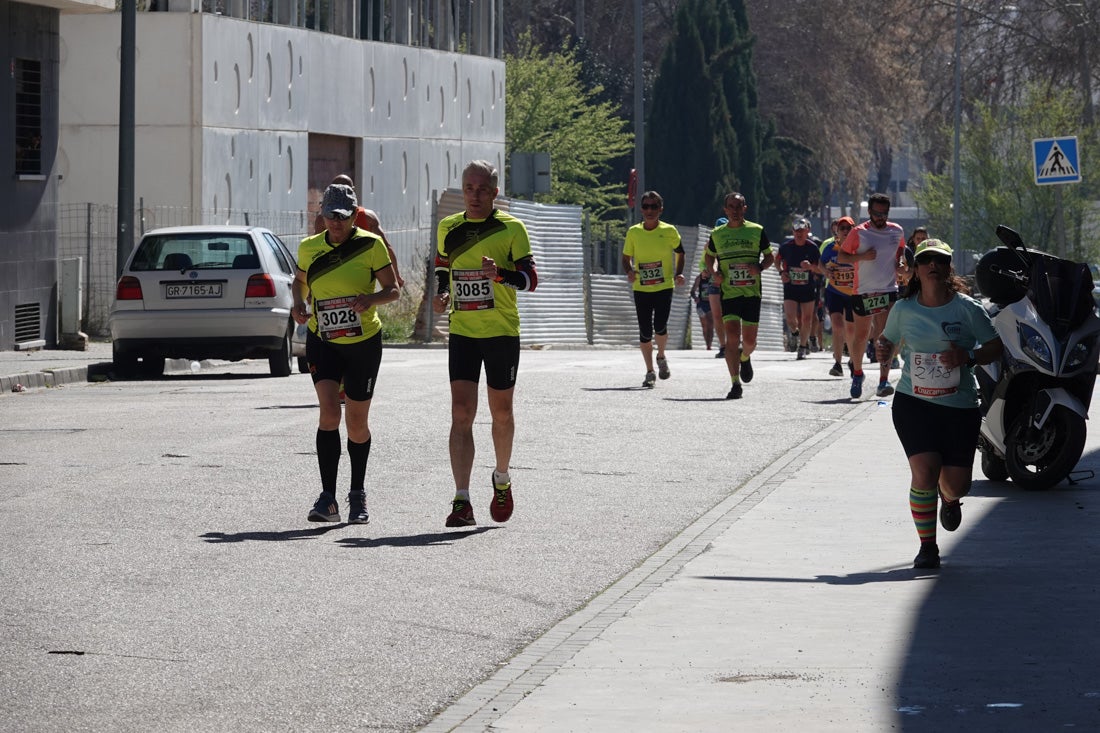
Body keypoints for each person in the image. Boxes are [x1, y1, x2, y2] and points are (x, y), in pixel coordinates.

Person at [879, 239, 1003, 569]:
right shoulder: (903, 309)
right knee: (925, 471)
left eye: (940, 260)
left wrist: (969, 356)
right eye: (926, 260)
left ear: (948, 268)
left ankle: (949, 499)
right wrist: (882, 350)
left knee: (957, 483)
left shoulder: (966, 308)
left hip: (959, 406)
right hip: (913, 403)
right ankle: (927, 547)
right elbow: (887, 340)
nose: (933, 264)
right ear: (916, 270)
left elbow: (995, 346)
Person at [433, 160, 538, 527]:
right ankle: (462, 500)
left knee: (502, 413)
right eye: (468, 189)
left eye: (482, 189)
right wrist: (443, 294)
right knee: (461, 413)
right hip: (462, 332)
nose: (474, 195)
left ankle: (502, 478)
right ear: (462, 190)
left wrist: (502, 274)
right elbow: (443, 270)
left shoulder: (512, 228)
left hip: (501, 332)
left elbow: (530, 280)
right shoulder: (449, 227)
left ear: (495, 192)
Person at [292, 183, 400, 524]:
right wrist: (298, 303)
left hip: (362, 343)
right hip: (322, 340)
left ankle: (357, 493)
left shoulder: (371, 245)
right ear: (321, 216)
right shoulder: (309, 247)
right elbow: (300, 281)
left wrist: (370, 300)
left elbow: (393, 290)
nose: (336, 223)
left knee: (356, 423)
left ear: (355, 216)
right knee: (328, 415)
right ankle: (327, 498)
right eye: (330, 216)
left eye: (342, 217)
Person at [704, 192, 775, 399]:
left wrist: (760, 267)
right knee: (732, 337)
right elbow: (709, 257)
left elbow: (770, 256)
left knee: (750, 341)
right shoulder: (717, 234)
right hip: (729, 293)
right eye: (731, 207)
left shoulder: (756, 230)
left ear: (745, 208)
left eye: (738, 206)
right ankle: (735, 384)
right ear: (725, 210)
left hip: (752, 293)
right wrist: (714, 273)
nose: (734, 211)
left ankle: (745, 357)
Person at [838, 193, 907, 399]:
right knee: (861, 336)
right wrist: (862, 257)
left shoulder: (896, 231)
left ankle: (883, 381)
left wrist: (902, 264)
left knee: (885, 337)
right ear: (869, 212)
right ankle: (858, 373)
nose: (880, 217)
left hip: (888, 290)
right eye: (876, 213)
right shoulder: (859, 233)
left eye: (884, 213)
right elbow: (842, 256)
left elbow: (900, 252)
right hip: (863, 291)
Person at [622, 191, 685, 387]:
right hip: (641, 288)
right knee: (644, 331)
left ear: (660, 209)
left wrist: (679, 273)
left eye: (654, 207)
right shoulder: (634, 232)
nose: (650, 210)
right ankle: (649, 371)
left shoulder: (669, 231)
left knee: (660, 325)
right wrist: (629, 271)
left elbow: (680, 252)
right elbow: (626, 257)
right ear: (641, 210)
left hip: (664, 286)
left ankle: (661, 356)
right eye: (646, 207)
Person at [314, 174, 405, 288]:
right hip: (359, 275)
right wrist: (396, 275)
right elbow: (387, 247)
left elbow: (315, 250)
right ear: (353, 191)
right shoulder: (367, 217)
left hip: (331, 273)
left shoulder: (323, 218)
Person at [775, 217, 821, 359]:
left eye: (802, 230)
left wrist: (811, 267)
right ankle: (794, 333)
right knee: (790, 318)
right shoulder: (786, 247)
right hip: (791, 286)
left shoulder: (813, 248)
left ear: (808, 231)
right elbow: (777, 260)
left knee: (807, 319)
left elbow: (820, 269)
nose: (799, 233)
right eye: (796, 231)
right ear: (793, 231)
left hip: (807, 287)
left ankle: (802, 347)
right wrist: (782, 272)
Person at [819, 216, 856, 377]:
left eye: (849, 228)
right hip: (834, 291)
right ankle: (838, 364)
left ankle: (854, 360)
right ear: (837, 231)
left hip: (853, 293)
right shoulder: (831, 247)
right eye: (842, 229)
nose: (846, 231)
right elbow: (820, 262)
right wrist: (825, 271)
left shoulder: (858, 248)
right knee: (837, 325)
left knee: (851, 329)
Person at [707, 217, 729, 358]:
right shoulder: (710, 244)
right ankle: (723, 346)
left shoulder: (732, 242)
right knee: (717, 316)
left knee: (731, 315)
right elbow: (710, 260)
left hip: (731, 283)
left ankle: (734, 342)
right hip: (715, 282)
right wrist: (714, 273)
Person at [690, 271, 715, 350]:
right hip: (701, 304)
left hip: (711, 303)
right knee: (704, 326)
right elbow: (692, 291)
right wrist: (695, 298)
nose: (706, 272)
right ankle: (707, 343)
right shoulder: (699, 278)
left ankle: (709, 345)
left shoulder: (714, 277)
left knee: (711, 325)